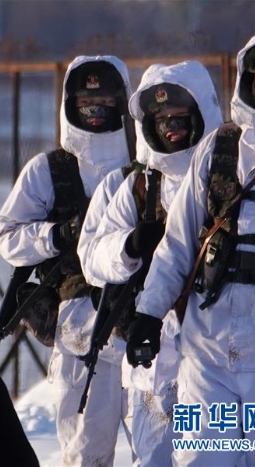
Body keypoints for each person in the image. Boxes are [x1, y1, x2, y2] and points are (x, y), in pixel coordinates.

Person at [127, 28, 255, 466]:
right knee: (202, 459)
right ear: (244, 81)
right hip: (206, 358)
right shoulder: (216, 148)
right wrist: (149, 312)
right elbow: (178, 242)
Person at [0, 55, 135, 466]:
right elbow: (6, 235)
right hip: (79, 332)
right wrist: (55, 235)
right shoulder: (49, 170)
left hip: (147, 324)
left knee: (166, 448)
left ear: (122, 104)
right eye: (85, 104)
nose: (94, 113)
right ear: (69, 106)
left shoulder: (149, 159)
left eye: (104, 103)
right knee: (84, 455)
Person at [84, 61, 223, 466]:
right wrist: (127, 246)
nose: (170, 126)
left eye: (179, 116)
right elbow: (91, 258)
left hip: (220, 361)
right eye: (160, 118)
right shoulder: (140, 186)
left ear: (201, 115)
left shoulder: (232, 178)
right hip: (153, 362)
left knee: (221, 456)